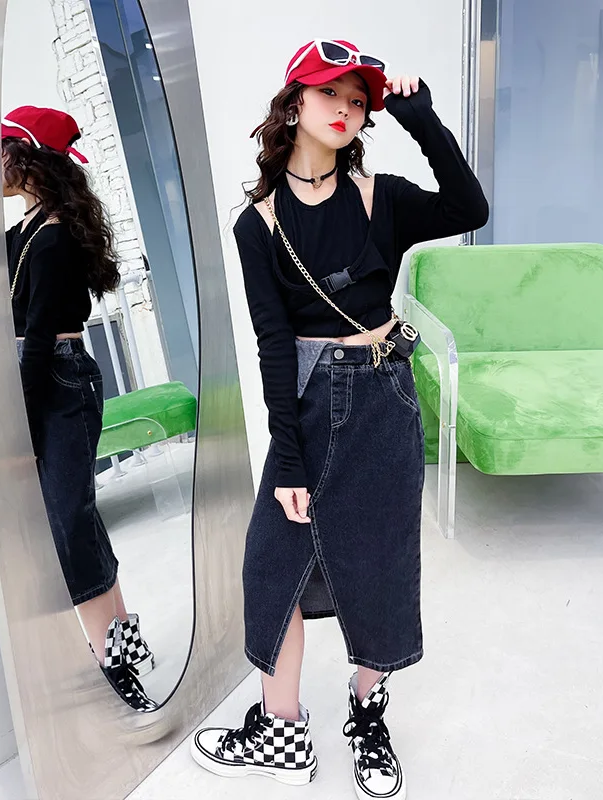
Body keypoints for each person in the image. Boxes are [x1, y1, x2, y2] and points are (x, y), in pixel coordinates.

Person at [190, 40, 488, 798]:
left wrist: (423, 121)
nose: (346, 110)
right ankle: (283, 731)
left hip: (384, 395)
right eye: (331, 94)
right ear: (294, 103)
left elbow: (469, 208)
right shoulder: (258, 225)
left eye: (358, 101)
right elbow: (272, 344)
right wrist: (287, 459)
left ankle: (367, 710)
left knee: (378, 562)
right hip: (312, 400)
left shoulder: (379, 198)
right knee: (271, 566)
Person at [2, 106, 157, 713]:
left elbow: (40, 336)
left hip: (57, 378)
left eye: (4, 150)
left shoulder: (55, 235)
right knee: (78, 517)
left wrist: (19, 419)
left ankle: (108, 658)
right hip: (47, 376)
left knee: (67, 524)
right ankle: (121, 637)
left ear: (30, 158)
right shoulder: (24, 230)